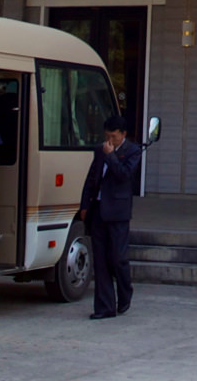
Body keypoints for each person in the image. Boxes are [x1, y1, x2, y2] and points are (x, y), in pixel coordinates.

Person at [77, 113, 147, 319]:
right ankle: (104, 307)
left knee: (117, 258)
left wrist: (111, 155)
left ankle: (125, 293)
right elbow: (91, 179)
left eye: (114, 137)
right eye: (107, 136)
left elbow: (124, 175)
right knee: (100, 260)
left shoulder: (133, 151)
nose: (109, 140)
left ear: (123, 134)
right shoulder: (100, 150)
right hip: (98, 209)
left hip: (118, 212)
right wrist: (84, 205)